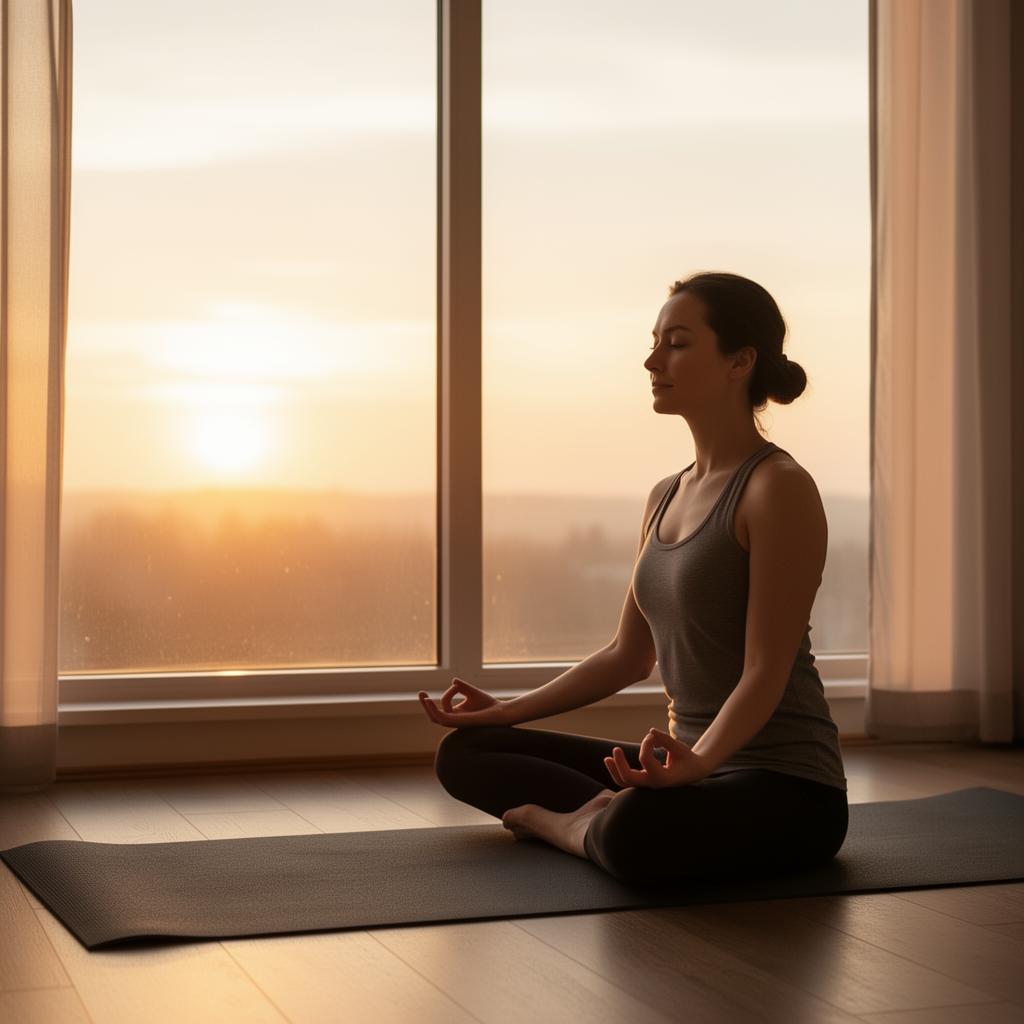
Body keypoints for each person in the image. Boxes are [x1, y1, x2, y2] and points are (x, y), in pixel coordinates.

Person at [418, 271, 849, 888]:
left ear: (739, 361)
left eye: (676, 343)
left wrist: (698, 762)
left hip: (783, 788)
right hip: (680, 772)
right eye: (655, 342)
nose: (652, 360)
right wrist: (506, 712)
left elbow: (765, 669)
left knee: (639, 830)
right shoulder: (664, 495)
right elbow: (628, 655)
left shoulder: (776, 488)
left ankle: (567, 826)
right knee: (467, 753)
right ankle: (603, 817)